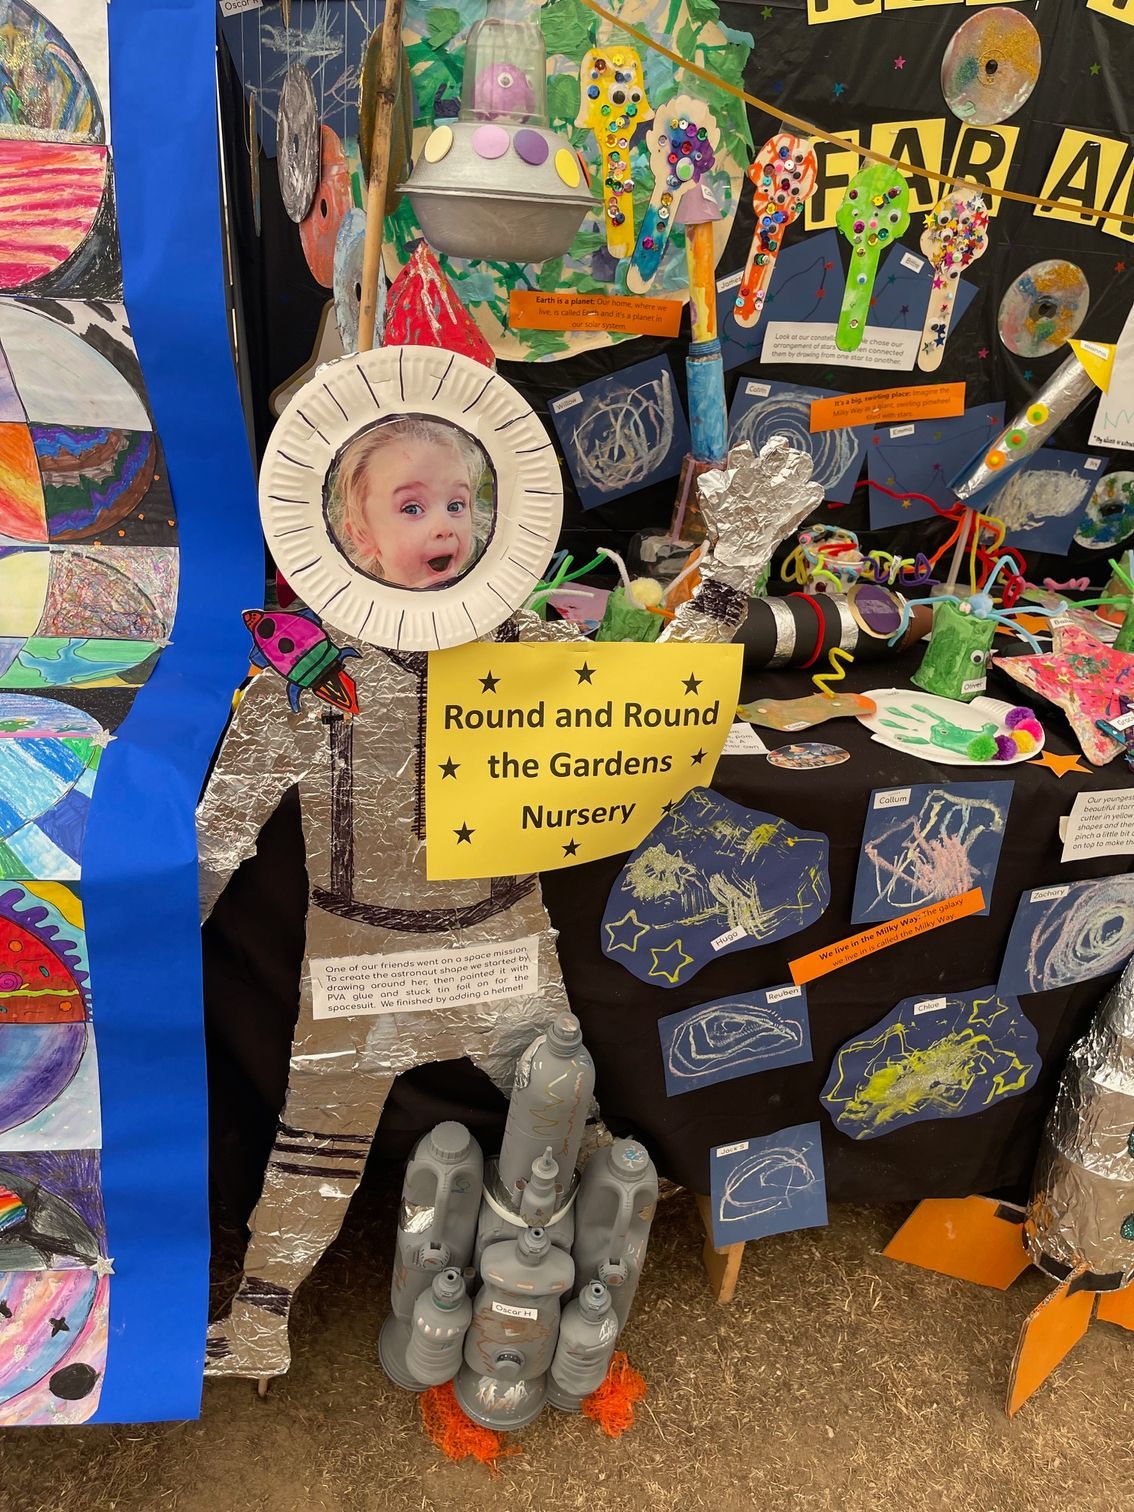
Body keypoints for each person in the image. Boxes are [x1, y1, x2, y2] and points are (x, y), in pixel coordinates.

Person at [327, 418, 488, 588]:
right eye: (412, 509)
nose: (444, 528)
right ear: (362, 536)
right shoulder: (345, 605)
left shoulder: (493, 601)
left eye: (455, 506)